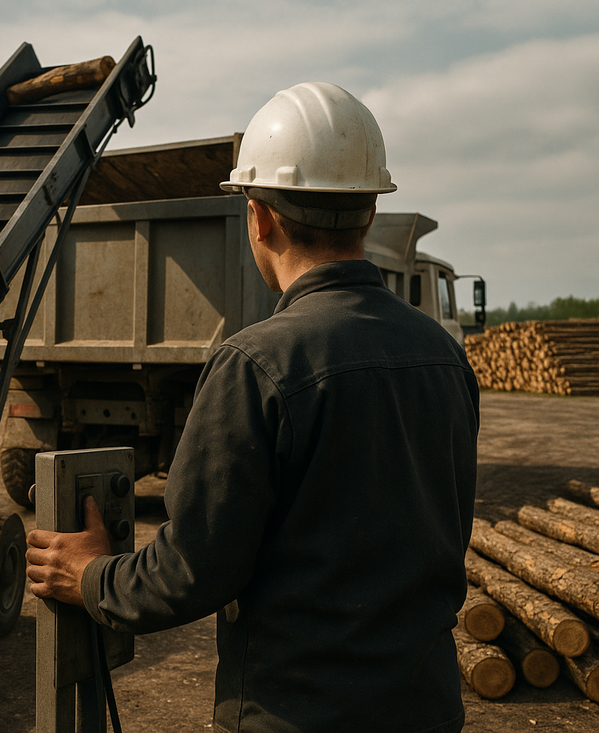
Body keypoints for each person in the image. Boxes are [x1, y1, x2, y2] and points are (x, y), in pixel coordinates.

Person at [25, 81, 479, 733]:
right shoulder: (444, 356)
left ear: (258, 217)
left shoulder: (256, 364)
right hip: (427, 713)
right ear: (370, 213)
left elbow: (189, 572)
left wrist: (91, 574)